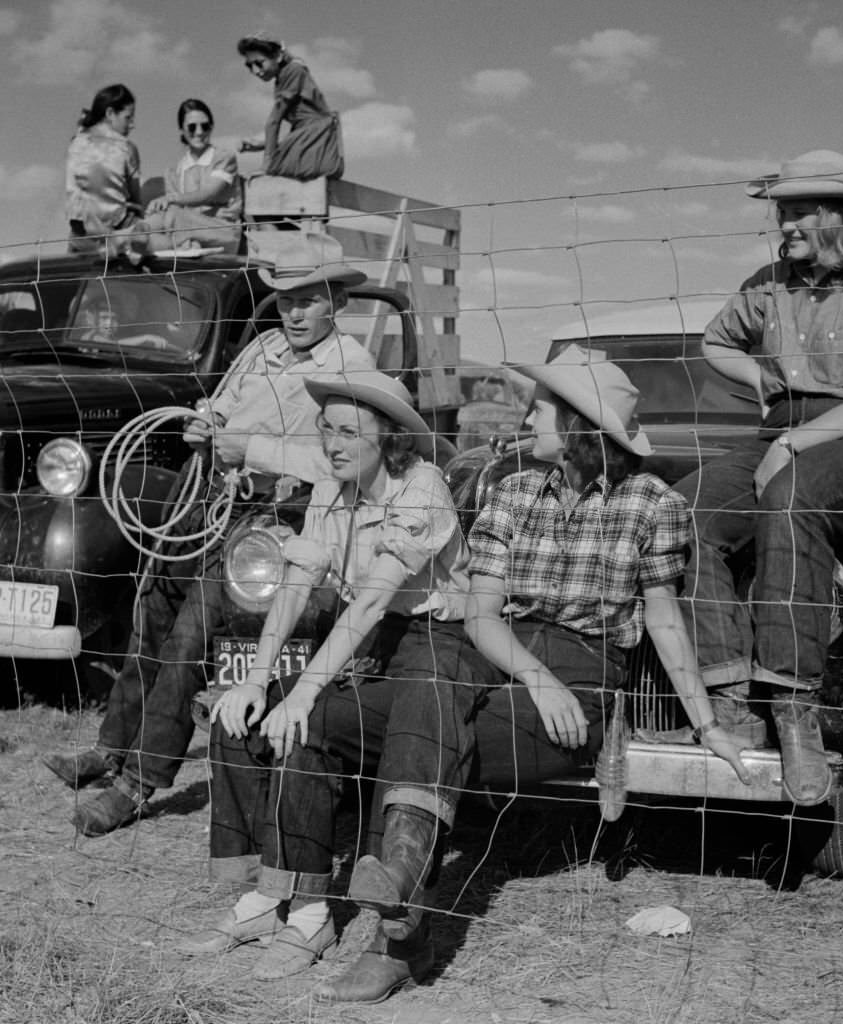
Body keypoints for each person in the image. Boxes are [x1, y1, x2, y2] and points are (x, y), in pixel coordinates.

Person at [307, 349, 752, 1006]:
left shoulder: (650, 503)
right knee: (385, 688)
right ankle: (376, 892)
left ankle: (396, 935)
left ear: (576, 423)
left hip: (584, 669)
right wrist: (534, 676)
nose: (526, 412)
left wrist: (706, 722)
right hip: (497, 647)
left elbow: (662, 620)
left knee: (422, 717)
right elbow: (482, 616)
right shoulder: (511, 490)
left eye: (541, 405)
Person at [42, 234, 375, 835]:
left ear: (336, 301)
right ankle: (111, 745)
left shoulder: (354, 368)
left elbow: (348, 460)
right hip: (209, 501)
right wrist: (206, 427)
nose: (293, 312)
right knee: (152, 615)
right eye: (284, 299)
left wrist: (254, 448)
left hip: (270, 523)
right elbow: (220, 407)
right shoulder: (264, 346)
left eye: (308, 300)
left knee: (191, 637)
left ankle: (139, 781)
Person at [174, 371, 476, 984]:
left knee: (305, 717)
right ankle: (272, 897)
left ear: (388, 438)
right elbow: (297, 582)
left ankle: (312, 917)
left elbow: (369, 602)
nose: (333, 444)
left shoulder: (421, 488)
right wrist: (258, 678)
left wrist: (305, 690)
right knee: (243, 715)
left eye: (348, 432)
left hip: (432, 645)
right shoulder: (331, 489)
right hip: (366, 639)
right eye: (326, 430)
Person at [673, 150, 843, 806]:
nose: (784, 223)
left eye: (799, 211)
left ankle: (792, 710)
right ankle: (727, 698)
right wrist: (764, 385)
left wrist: (794, 440)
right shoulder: (766, 283)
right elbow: (716, 341)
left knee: (789, 498)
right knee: (679, 510)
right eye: (781, 210)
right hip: (779, 428)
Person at [237, 33, 344, 181]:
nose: (255, 71)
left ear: (278, 57)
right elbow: (303, 129)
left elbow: (274, 121)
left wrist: (267, 165)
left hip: (319, 145)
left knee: (266, 176)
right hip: (313, 139)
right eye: (250, 66)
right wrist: (263, 145)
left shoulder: (292, 71)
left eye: (259, 63)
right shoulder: (284, 76)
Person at [143, 99, 243, 254]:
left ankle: (132, 235)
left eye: (205, 126)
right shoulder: (174, 171)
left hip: (221, 231)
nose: (199, 132)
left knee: (172, 215)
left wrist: (170, 199)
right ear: (182, 130)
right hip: (184, 230)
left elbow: (208, 194)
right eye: (192, 127)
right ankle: (129, 239)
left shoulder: (224, 158)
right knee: (164, 219)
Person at [65, 84, 143, 255]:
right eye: (128, 118)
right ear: (109, 114)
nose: (132, 125)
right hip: (118, 229)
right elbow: (137, 198)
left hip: (80, 235)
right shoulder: (126, 148)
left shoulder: (76, 143)